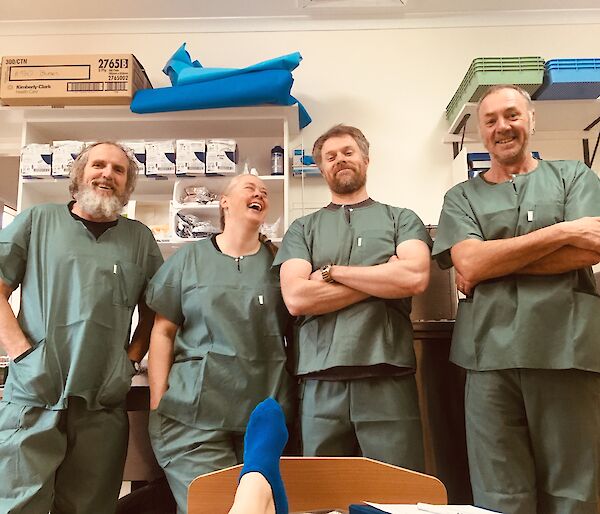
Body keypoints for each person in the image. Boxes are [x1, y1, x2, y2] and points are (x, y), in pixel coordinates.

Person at [432, 84, 600, 514]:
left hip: (568, 351)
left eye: (511, 115)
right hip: (488, 359)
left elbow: (591, 248)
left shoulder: (574, 176)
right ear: (480, 133)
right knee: (499, 494)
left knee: (574, 491)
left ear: (530, 121)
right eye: (489, 121)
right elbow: (468, 263)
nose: (501, 127)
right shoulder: (462, 197)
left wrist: (493, 260)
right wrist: (562, 232)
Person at [0, 142, 163, 514]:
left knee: (91, 505)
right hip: (35, 392)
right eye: (99, 165)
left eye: (118, 170)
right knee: (19, 502)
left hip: (101, 399)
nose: (107, 174)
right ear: (79, 174)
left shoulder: (139, 239)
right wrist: (22, 352)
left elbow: (155, 311)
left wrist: (130, 361)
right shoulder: (38, 221)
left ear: (127, 185)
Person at [274, 124, 431, 470]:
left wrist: (332, 273)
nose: (340, 160)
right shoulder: (302, 228)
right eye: (330, 157)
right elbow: (297, 298)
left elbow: (414, 276)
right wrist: (382, 278)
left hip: (387, 375)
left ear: (366, 159)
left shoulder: (401, 219)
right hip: (320, 381)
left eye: (348, 152)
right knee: (322, 497)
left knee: (396, 493)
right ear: (321, 168)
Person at [146, 174, 295, 514]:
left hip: (261, 414)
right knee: (217, 507)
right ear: (224, 202)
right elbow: (162, 330)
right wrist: (158, 399)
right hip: (192, 416)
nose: (259, 193)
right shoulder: (190, 259)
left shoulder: (280, 265)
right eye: (249, 188)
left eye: (264, 192)